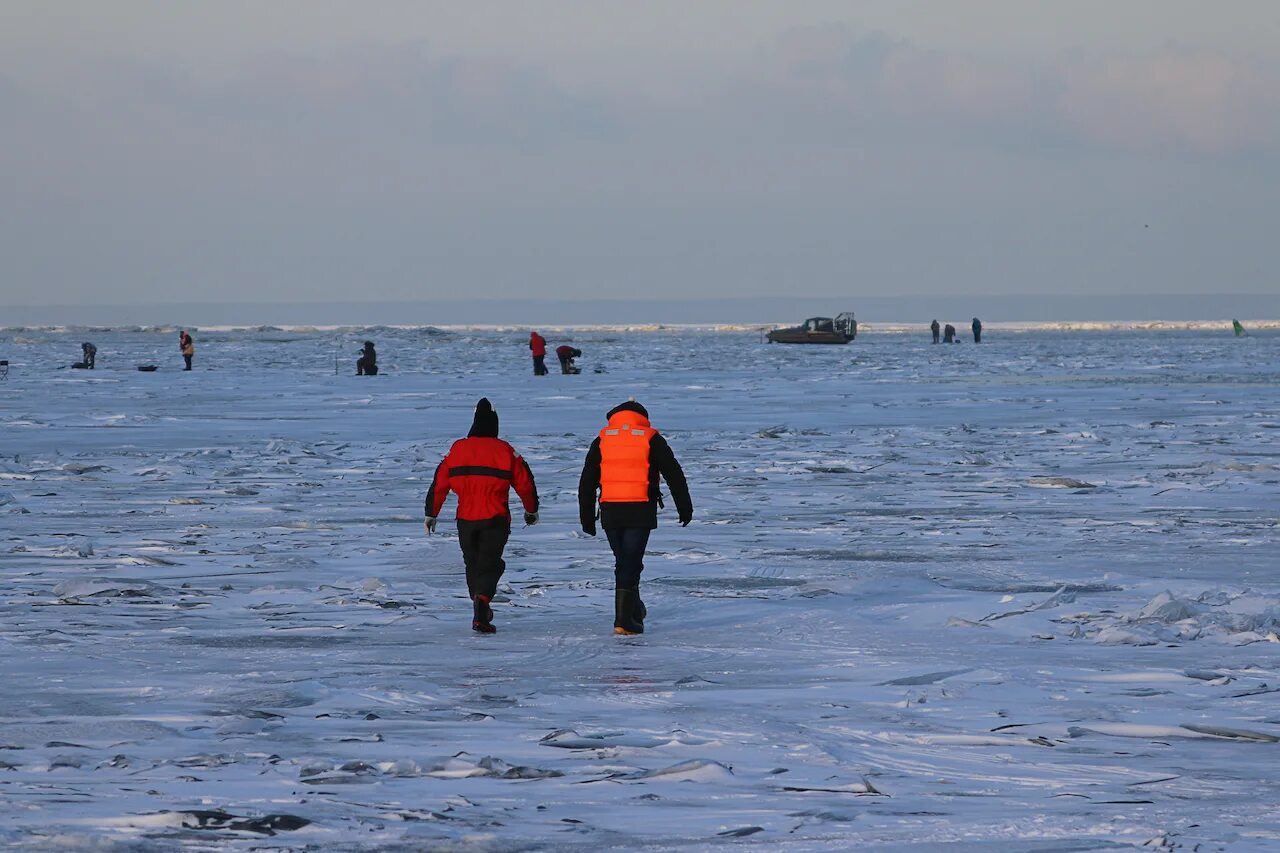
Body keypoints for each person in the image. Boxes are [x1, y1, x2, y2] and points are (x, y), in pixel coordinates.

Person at [425, 398, 539, 633]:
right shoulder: (505, 450)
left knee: (473, 563)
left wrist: (431, 513)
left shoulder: (458, 449)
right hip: (495, 518)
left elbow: (439, 484)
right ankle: (482, 603)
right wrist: (531, 509)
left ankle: (479, 602)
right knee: (491, 563)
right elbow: (525, 483)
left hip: (466, 519)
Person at [578, 400, 692, 635]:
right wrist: (684, 507)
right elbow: (674, 474)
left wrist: (586, 517)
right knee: (629, 561)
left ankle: (633, 610)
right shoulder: (651, 438)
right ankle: (623, 620)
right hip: (640, 509)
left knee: (625, 561)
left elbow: (587, 481)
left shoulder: (602, 440)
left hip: (610, 509)